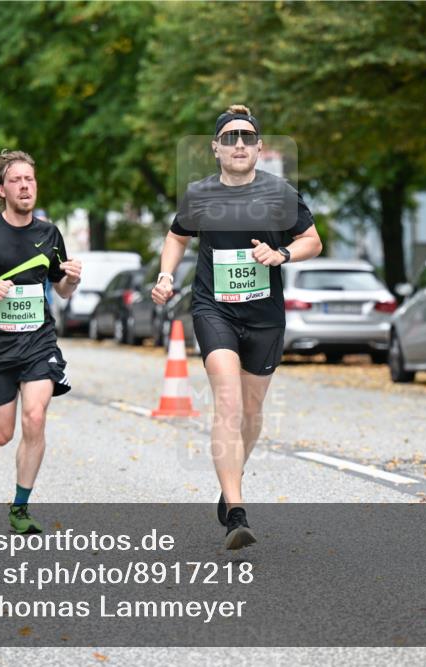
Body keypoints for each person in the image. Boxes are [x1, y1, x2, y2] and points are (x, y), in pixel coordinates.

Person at [152, 104, 323, 550]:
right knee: (227, 402)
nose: (239, 144)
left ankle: (231, 479)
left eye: (247, 136)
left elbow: (312, 241)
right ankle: (237, 513)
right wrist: (166, 275)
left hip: (265, 316)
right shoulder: (200, 195)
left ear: (259, 147)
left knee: (251, 410)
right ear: (216, 148)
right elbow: (176, 235)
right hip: (214, 310)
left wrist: (281, 254)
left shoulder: (279, 193)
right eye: (230, 137)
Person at [0, 150, 82, 535]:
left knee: (35, 417)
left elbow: (61, 289)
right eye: (16, 181)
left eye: (30, 179)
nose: (25, 186)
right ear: (1, 190)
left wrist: (72, 278)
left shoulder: (49, 234)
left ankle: (20, 507)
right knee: (4, 433)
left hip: (39, 343)